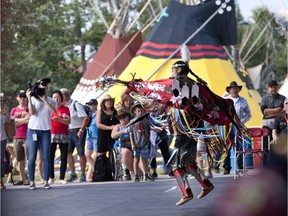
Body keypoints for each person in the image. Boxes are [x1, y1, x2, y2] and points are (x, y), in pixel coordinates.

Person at [166, 61, 214, 206]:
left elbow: (179, 105)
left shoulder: (179, 83)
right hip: (192, 128)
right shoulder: (195, 84)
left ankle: (187, 193)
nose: (173, 71)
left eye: (175, 68)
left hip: (186, 128)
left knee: (175, 164)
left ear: (180, 69)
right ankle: (205, 184)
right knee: (187, 162)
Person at [214, 81, 252, 174]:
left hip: (238, 126)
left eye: (236, 88)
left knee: (239, 146)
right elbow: (219, 111)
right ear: (229, 90)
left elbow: (248, 114)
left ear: (238, 90)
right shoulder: (225, 100)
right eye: (233, 88)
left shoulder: (243, 100)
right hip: (227, 126)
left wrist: (241, 122)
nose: (235, 90)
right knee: (227, 146)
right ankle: (226, 168)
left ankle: (240, 167)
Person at [26, 79, 56, 190]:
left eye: (45, 85)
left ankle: (45, 181)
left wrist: (45, 100)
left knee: (46, 157)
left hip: (46, 130)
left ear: (47, 87)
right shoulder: (32, 98)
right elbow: (32, 113)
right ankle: (32, 181)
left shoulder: (51, 100)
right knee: (32, 156)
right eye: (41, 85)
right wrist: (29, 97)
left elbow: (53, 111)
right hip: (33, 130)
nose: (43, 87)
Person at [60, 88, 89, 182]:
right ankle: (73, 173)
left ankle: (83, 174)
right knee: (68, 152)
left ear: (64, 96)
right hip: (68, 131)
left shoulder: (76, 104)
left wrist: (81, 130)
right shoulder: (62, 107)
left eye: (60, 97)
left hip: (77, 130)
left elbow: (86, 118)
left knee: (80, 152)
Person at [260, 80, 286, 165]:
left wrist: (270, 112)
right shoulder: (264, 98)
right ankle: (265, 165)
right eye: (271, 87)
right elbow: (264, 112)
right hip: (267, 126)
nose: (273, 89)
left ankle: (279, 165)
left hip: (278, 126)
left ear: (277, 88)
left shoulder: (283, 98)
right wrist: (278, 110)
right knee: (265, 146)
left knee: (277, 145)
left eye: (275, 87)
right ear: (268, 89)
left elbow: (284, 111)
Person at [49, 90, 70, 184]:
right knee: (50, 157)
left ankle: (62, 178)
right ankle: (51, 177)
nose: (56, 99)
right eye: (54, 97)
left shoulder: (65, 109)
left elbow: (68, 122)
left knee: (64, 156)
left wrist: (59, 119)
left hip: (64, 134)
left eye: (58, 97)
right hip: (51, 134)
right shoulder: (49, 109)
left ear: (61, 98)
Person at [128, 103, 154, 182]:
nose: (140, 113)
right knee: (136, 159)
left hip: (144, 143)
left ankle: (146, 174)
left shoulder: (146, 121)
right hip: (136, 143)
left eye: (141, 111)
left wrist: (147, 141)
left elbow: (148, 132)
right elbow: (131, 134)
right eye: (138, 111)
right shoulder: (132, 122)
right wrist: (132, 144)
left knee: (144, 159)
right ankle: (136, 175)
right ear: (135, 112)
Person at [9, 90, 30, 185]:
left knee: (29, 158)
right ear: (17, 98)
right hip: (16, 137)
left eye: (24, 96)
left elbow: (29, 120)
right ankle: (22, 179)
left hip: (27, 136)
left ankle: (30, 178)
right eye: (20, 96)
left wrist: (18, 121)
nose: (22, 98)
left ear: (26, 98)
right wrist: (23, 119)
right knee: (20, 159)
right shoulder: (13, 110)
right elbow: (11, 122)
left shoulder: (28, 109)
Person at [111, 108, 134, 180]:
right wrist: (123, 132)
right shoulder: (118, 126)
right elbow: (113, 135)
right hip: (121, 145)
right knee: (124, 151)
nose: (122, 119)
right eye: (120, 117)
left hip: (133, 144)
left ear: (128, 117)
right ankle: (129, 171)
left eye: (124, 116)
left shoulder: (132, 124)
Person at [270, 97, 287, 172]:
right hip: (281, 140)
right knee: (273, 145)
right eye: (287, 104)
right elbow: (274, 131)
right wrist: (275, 138)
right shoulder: (279, 118)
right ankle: (275, 170)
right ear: (284, 106)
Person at [85, 99, 98, 182]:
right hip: (89, 135)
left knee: (96, 155)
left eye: (91, 104)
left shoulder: (98, 113)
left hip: (96, 135)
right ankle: (95, 170)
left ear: (95, 105)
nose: (90, 106)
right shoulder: (88, 113)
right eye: (89, 104)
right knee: (87, 154)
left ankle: (95, 171)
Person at [1, 94, 11, 189]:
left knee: (1, 161)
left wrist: (5, 112)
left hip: (2, 139)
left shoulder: (3, 113)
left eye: (2, 102)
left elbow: (8, 121)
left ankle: (1, 181)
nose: (1, 103)